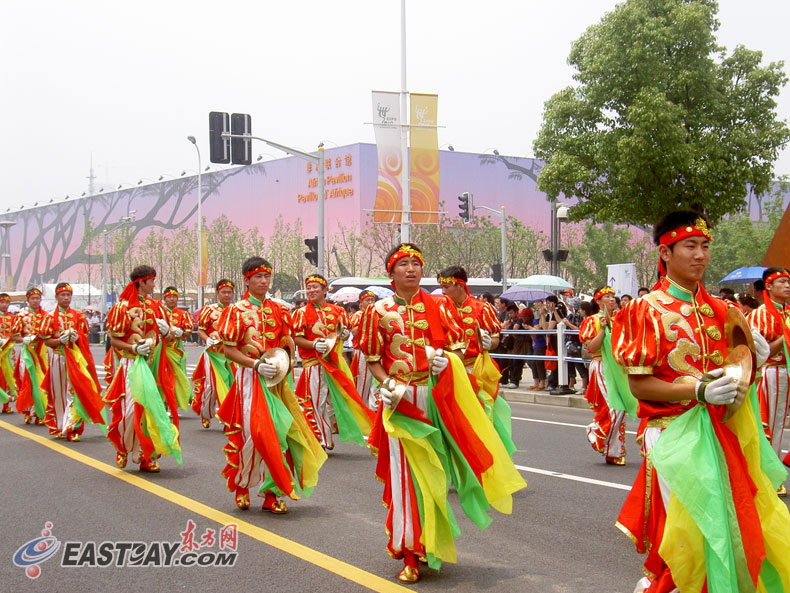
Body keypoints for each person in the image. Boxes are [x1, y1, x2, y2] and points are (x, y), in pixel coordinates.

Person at [612, 211, 788, 593]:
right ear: (665, 251)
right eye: (690, 246)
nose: (700, 255)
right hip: (673, 433)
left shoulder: (724, 312)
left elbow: (737, 377)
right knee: (693, 533)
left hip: (718, 431)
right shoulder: (646, 310)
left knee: (728, 527)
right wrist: (697, 390)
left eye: (705, 246)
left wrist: (752, 361)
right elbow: (640, 386)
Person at [360, 243, 525, 583]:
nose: (411, 269)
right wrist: (388, 385)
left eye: (416, 263)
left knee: (435, 475)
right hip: (399, 400)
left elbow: (455, 348)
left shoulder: (440, 305)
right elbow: (374, 361)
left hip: (434, 397)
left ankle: (428, 541)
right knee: (407, 478)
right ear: (390, 273)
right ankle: (409, 550)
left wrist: (443, 360)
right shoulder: (377, 311)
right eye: (403, 264)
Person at [216, 257, 326, 513]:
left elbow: (287, 343)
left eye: (267, 277)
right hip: (248, 380)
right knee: (251, 436)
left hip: (276, 382)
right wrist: (254, 365)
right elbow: (228, 350)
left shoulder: (279, 310)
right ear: (246, 280)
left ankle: (272, 492)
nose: (264, 281)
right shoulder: (236, 311)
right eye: (258, 277)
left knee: (278, 434)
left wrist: (285, 361)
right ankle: (242, 485)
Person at [104, 265, 181, 472]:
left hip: (153, 365)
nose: (154, 285)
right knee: (131, 411)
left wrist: (169, 331)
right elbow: (114, 341)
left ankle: (148, 454)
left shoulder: (157, 306)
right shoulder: (122, 307)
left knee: (154, 410)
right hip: (131, 365)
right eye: (152, 281)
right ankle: (123, 444)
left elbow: (169, 337)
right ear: (141, 282)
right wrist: (134, 347)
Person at [438, 266, 515, 454]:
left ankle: (482, 462)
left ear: (460, 285)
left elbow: (496, 339)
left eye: (446, 287)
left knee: (478, 418)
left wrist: (489, 343)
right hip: (448, 371)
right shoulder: (440, 309)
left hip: (475, 370)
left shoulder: (482, 309)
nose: (443, 291)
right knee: (451, 422)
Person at [292, 274, 373, 450]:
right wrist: (313, 344)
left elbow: (345, 332)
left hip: (335, 363)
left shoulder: (337, 311)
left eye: (315, 287)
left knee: (339, 400)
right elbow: (297, 338)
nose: (311, 290)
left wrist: (344, 335)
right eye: (309, 287)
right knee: (315, 401)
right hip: (313, 363)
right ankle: (321, 437)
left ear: (324, 291)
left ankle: (331, 431)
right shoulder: (301, 313)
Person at [39, 283, 105, 441]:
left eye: (69, 295)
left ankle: (73, 427)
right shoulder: (49, 317)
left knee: (74, 390)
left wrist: (77, 338)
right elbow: (47, 340)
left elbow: (84, 337)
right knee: (58, 393)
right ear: (56, 297)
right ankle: (59, 424)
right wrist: (59, 340)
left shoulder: (79, 316)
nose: (66, 298)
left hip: (75, 357)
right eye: (63, 295)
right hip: (57, 356)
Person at [747, 266, 790, 497]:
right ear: (769, 287)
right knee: (769, 426)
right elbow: (758, 352)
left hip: (787, 372)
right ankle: (768, 477)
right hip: (772, 372)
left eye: (788, 282)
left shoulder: (787, 312)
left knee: (779, 427)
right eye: (781, 281)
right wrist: (786, 336)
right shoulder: (760, 314)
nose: (787, 285)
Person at [579, 286, 628, 465]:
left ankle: (614, 451)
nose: (611, 299)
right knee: (616, 407)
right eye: (607, 296)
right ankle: (596, 431)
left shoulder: (620, 320)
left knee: (623, 407)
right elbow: (591, 348)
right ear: (598, 301)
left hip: (618, 368)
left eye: (613, 296)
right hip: (602, 365)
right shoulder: (592, 321)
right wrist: (602, 329)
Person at [192, 279, 235, 429]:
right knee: (211, 387)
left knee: (231, 387)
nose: (227, 295)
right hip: (213, 354)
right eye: (224, 292)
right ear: (218, 293)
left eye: (229, 292)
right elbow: (201, 330)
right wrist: (208, 339)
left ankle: (227, 418)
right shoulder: (209, 310)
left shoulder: (235, 310)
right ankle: (206, 413)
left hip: (231, 355)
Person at [15, 287, 50, 425]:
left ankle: (40, 411)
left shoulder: (47, 316)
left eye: (37, 298)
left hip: (42, 352)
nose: (35, 301)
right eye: (32, 298)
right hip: (28, 353)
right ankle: (28, 411)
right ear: (27, 300)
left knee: (42, 381)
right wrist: (23, 339)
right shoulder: (21, 316)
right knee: (27, 381)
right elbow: (15, 335)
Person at [161, 286, 194, 412]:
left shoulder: (183, 314)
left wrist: (182, 333)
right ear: (165, 298)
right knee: (163, 376)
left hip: (176, 349)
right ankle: (164, 402)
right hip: (162, 348)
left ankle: (174, 402)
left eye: (174, 297)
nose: (172, 299)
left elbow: (188, 331)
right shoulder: (160, 312)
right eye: (169, 297)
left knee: (177, 376)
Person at [349, 289, 377, 410]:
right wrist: (366, 320)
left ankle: (373, 411)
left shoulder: (379, 313)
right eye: (367, 300)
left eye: (372, 300)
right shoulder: (358, 315)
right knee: (362, 384)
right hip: (362, 353)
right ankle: (361, 411)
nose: (370, 302)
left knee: (376, 384)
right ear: (361, 304)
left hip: (377, 353)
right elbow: (353, 332)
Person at [0, 293, 21, 413]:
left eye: (6, 303)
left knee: (8, 377)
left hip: (8, 351)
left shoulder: (14, 318)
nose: (4, 305)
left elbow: (16, 334)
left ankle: (6, 405)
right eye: (2, 302)